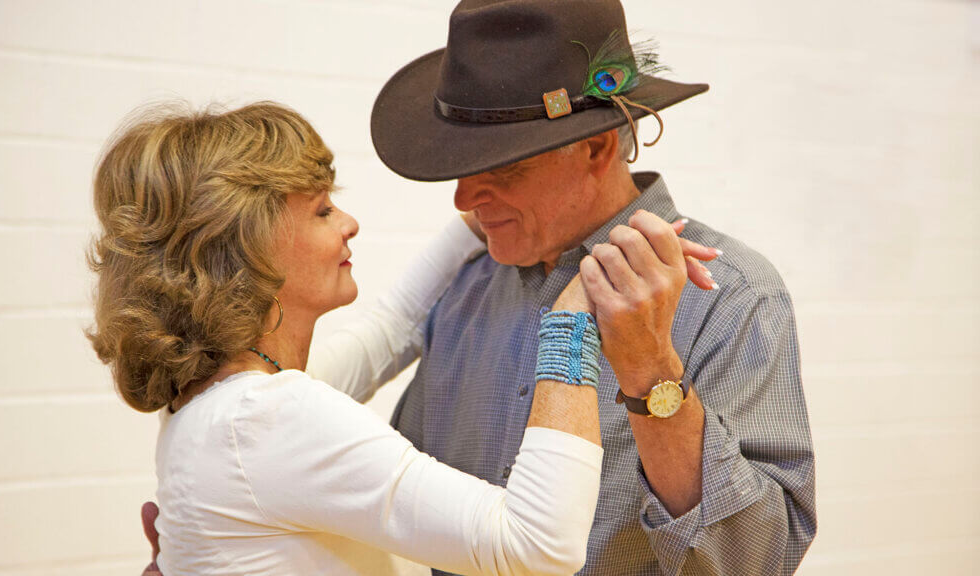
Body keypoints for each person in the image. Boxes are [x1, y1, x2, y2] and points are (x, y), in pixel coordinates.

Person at [90, 101, 719, 575]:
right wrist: (573, 318)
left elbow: (390, 327)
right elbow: (538, 546)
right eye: (321, 210)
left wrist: (501, 210)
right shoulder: (270, 417)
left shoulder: (220, 402)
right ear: (249, 245)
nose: (350, 222)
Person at [368, 1, 817, 575]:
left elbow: (756, 562)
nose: (462, 202)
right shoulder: (467, 292)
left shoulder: (733, 296)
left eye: (501, 167)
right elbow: (398, 495)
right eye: (461, 165)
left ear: (598, 148)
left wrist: (650, 369)